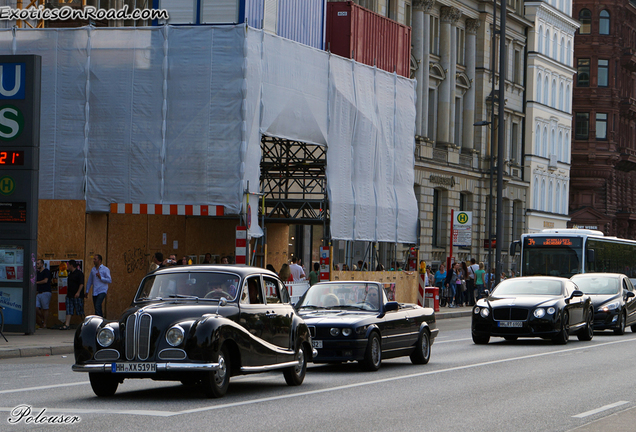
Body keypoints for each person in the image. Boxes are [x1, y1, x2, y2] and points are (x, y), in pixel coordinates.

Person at [62, 260, 84, 330]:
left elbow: (81, 284)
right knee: (69, 309)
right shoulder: (70, 274)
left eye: (68, 265)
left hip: (77, 295)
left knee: (80, 310)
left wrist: (78, 292)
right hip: (70, 295)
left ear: (71, 265)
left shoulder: (79, 273)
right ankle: (67, 324)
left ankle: (85, 323)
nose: (67, 266)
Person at [35, 259, 52, 329]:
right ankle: (42, 318)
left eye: (38, 264)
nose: (37, 265)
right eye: (36, 264)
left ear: (42, 264)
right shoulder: (37, 273)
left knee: (45, 308)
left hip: (45, 292)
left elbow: (45, 280)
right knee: (35, 307)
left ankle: (44, 323)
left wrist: (37, 282)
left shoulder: (46, 271)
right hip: (39, 292)